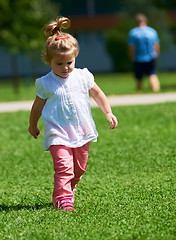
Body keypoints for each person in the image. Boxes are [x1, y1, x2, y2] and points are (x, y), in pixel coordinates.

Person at [28, 16, 118, 211]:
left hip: (82, 129)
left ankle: (70, 187)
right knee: (64, 168)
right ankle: (63, 200)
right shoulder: (46, 83)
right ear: (49, 61)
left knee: (79, 169)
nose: (65, 67)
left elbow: (97, 93)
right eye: (59, 64)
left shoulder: (83, 76)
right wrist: (33, 124)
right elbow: (37, 106)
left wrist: (108, 112)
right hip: (58, 132)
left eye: (69, 62)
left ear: (75, 57)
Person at [127, 13, 161, 92]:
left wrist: (131, 56)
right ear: (146, 21)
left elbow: (131, 47)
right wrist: (157, 54)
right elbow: (156, 45)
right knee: (152, 74)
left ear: (136, 22)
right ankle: (156, 91)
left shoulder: (133, 32)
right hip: (151, 57)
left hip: (138, 58)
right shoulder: (152, 31)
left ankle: (139, 93)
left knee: (139, 78)